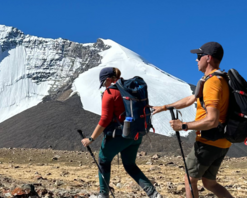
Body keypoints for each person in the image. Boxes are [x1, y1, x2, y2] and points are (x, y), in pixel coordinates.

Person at [153, 42, 234, 198]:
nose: (196, 60)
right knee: (209, 183)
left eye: (199, 56)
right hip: (222, 141)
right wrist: (164, 107)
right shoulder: (216, 78)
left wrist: (183, 125)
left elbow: (212, 121)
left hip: (208, 142)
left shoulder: (212, 82)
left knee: (189, 179)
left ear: (208, 58)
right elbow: (191, 98)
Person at [81, 67, 161, 198]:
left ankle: (103, 194)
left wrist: (91, 138)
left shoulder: (110, 93)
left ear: (107, 80)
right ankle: (153, 194)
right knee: (130, 165)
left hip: (118, 136)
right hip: (135, 134)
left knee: (103, 160)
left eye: (103, 83)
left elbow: (105, 119)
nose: (103, 87)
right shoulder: (130, 90)